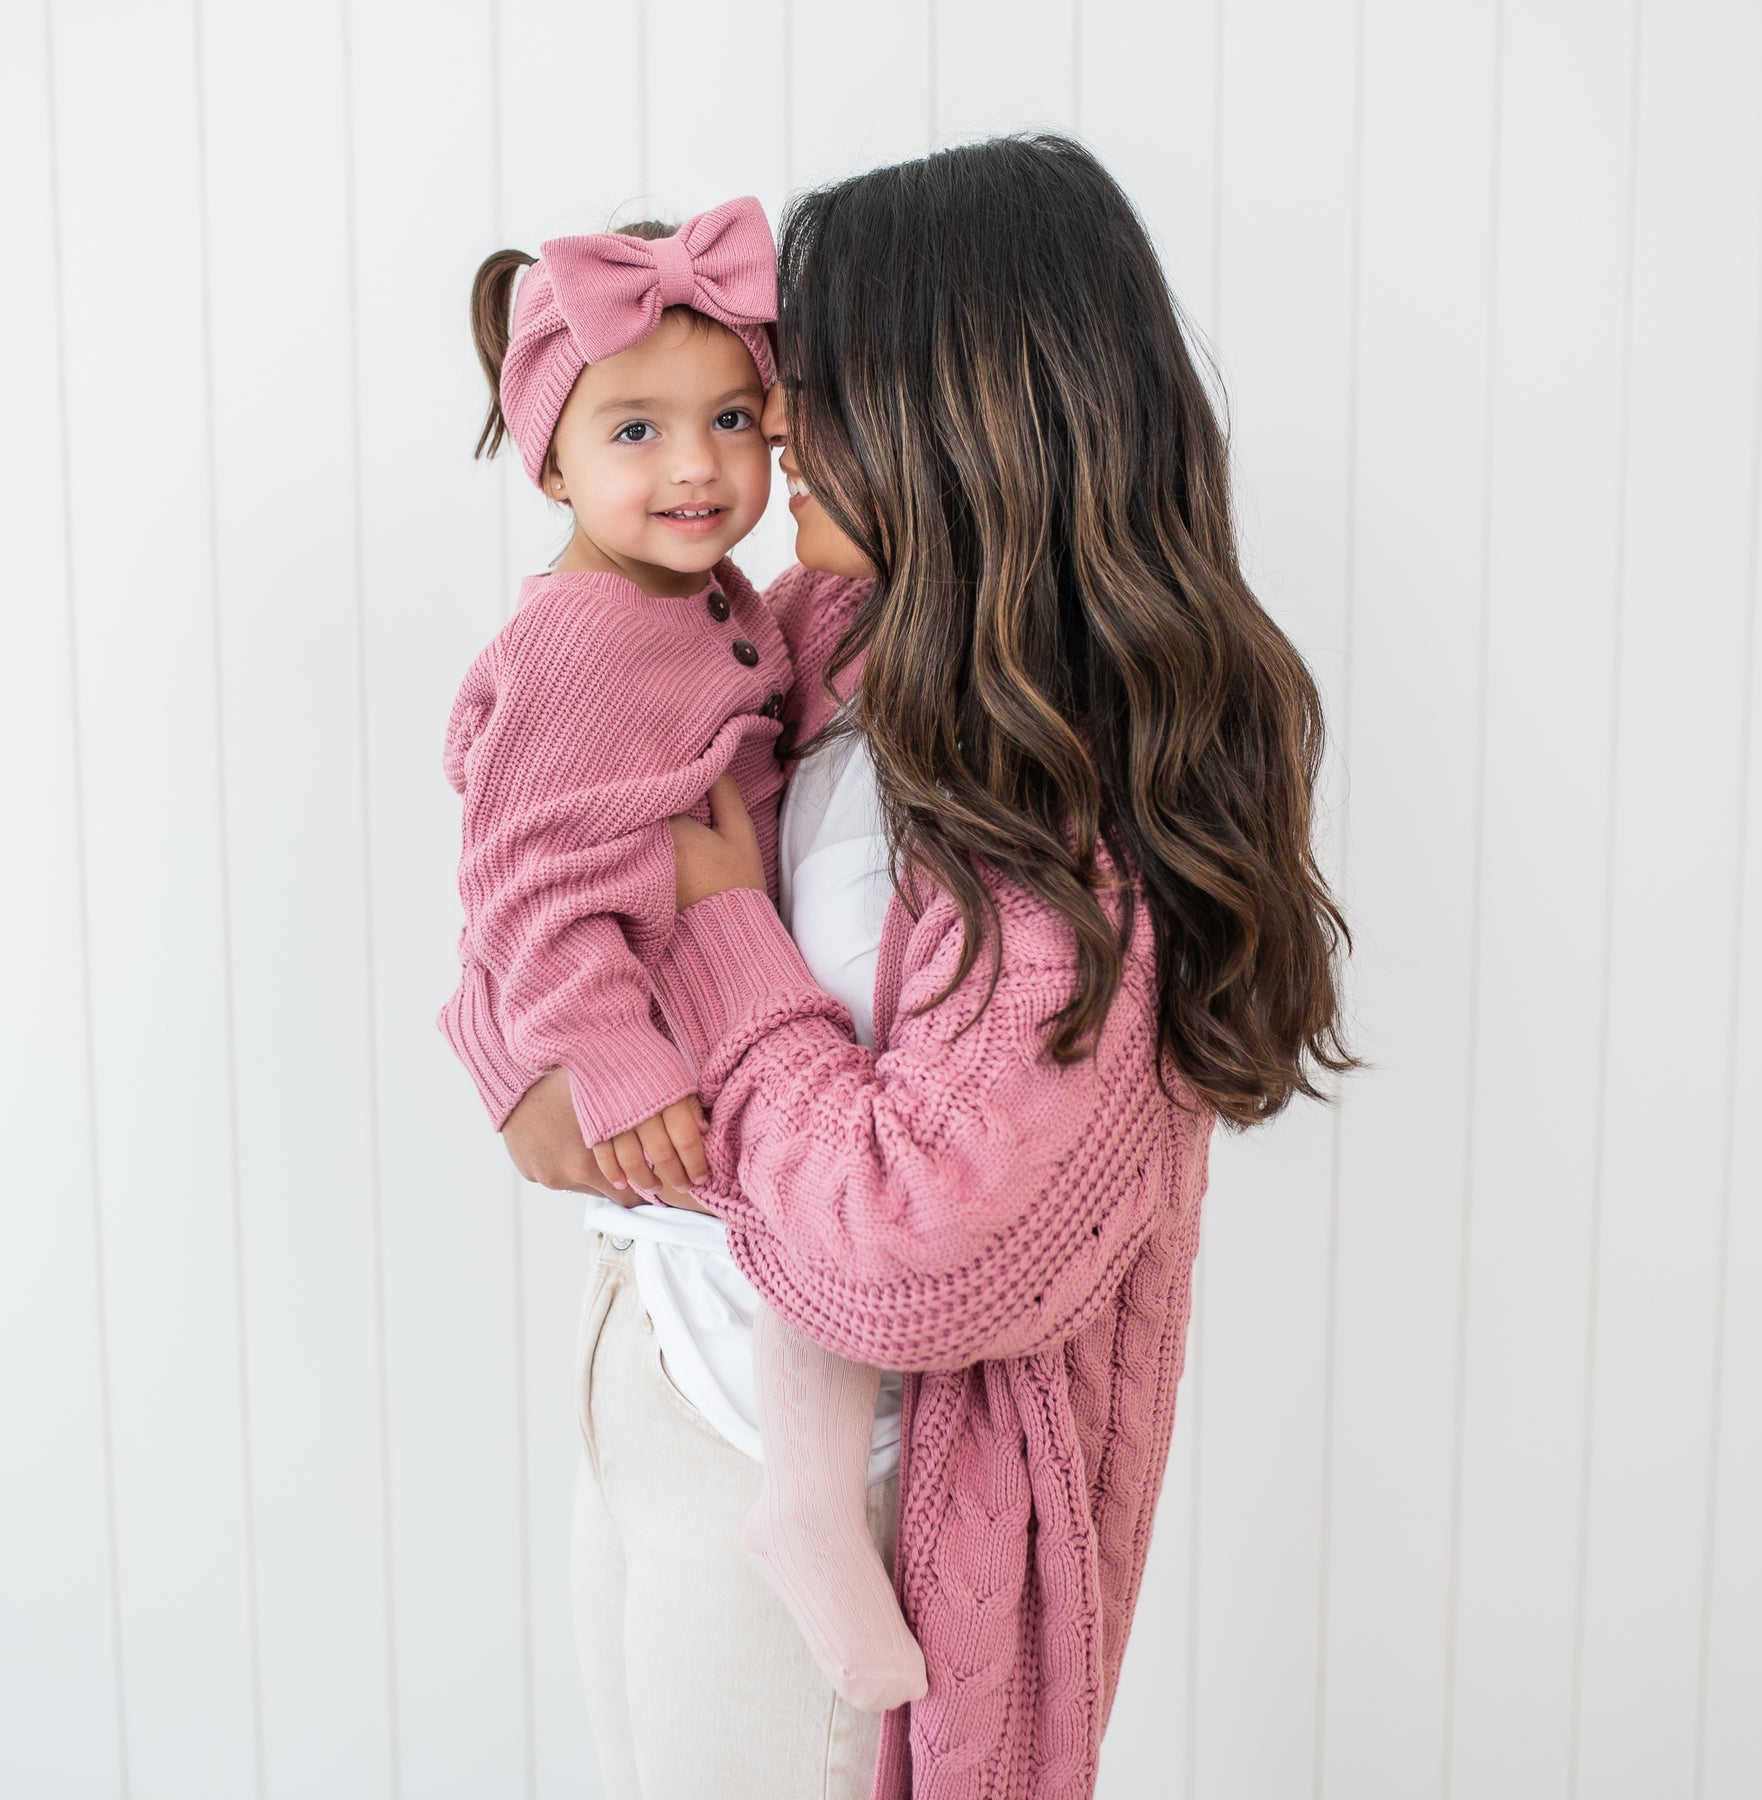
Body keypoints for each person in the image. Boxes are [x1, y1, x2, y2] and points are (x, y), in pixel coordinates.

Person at [489, 135, 1355, 1800]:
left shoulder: (1065, 800)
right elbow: (553, 816)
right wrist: (520, 1048)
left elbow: (904, 1251)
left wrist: (730, 949)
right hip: (663, 1372)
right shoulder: (838, 638)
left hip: (838, 1501)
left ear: (960, 412)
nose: (776, 421)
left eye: (816, 381)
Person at [439, 194, 930, 1750]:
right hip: (664, 1056)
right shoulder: (589, 637)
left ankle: (800, 1492)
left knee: (819, 1214)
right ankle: (802, 1498)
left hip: (715, 1080)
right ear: (552, 459)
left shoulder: (719, 604)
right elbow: (524, 891)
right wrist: (597, 1060)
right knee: (800, 1213)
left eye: (733, 419)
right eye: (635, 433)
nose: (703, 467)